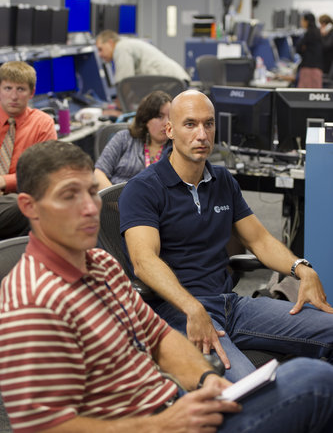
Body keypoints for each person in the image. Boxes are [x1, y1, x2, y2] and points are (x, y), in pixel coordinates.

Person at [1, 140, 333, 433]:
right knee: (313, 381)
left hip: (172, 406)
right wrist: (162, 424)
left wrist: (206, 380)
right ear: (29, 207)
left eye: (90, 191)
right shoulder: (31, 302)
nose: (90, 208)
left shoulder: (101, 266)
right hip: (154, 423)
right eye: (69, 196)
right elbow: (43, 427)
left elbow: (157, 335)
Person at [119, 89, 333, 383]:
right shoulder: (143, 188)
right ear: (169, 130)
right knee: (248, 390)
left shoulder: (222, 180)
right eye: (190, 124)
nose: (202, 134)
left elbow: (259, 240)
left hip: (231, 306)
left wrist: (302, 269)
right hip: (180, 313)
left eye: (208, 124)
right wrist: (192, 307)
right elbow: (143, 261)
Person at [0, 60, 57, 239]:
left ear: (32, 93)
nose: (14, 96)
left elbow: (43, 174)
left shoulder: (42, 123)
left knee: (32, 207)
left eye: (20, 89)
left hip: (21, 198)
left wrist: (3, 181)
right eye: (8, 88)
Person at [94, 91, 171, 189]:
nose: (166, 123)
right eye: (159, 117)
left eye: (170, 117)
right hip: (115, 200)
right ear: (145, 120)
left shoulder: (176, 147)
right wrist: (116, 202)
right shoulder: (123, 138)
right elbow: (99, 173)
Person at [96, 30, 191, 85]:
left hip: (172, 83)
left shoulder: (121, 47)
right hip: (175, 81)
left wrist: (118, 108)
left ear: (110, 43)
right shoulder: (127, 44)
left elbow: (124, 83)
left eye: (100, 49)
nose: (99, 54)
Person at [296, 12, 323, 88]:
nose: (301, 22)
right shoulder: (318, 32)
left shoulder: (309, 34)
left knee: (304, 96)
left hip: (308, 69)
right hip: (317, 68)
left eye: (302, 20)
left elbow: (299, 48)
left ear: (307, 21)